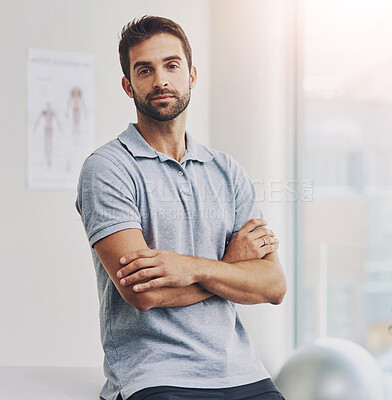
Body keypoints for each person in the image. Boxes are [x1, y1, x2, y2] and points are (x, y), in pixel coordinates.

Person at [75, 15, 287, 400]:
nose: (160, 80)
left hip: (242, 372)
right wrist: (231, 265)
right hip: (155, 376)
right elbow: (143, 294)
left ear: (191, 75)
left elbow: (273, 285)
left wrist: (187, 267)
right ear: (128, 85)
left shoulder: (226, 171)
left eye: (171, 66)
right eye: (145, 70)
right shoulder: (107, 168)